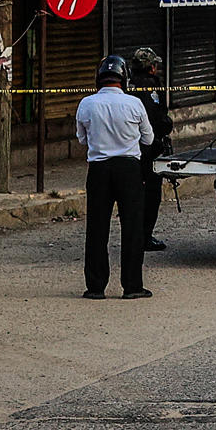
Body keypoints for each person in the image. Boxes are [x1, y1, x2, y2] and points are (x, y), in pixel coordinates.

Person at [77, 55, 154, 300]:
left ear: (98, 79)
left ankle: (95, 287)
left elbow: (81, 139)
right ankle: (132, 286)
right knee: (132, 228)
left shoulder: (86, 104)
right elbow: (148, 139)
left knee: (97, 228)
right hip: (129, 170)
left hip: (98, 170)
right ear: (124, 79)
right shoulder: (135, 104)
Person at [128, 46, 173, 252]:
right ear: (150, 67)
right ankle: (144, 237)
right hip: (148, 148)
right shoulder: (150, 86)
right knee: (151, 194)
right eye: (154, 64)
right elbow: (155, 117)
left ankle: (135, 235)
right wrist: (167, 125)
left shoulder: (126, 84)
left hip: (129, 148)